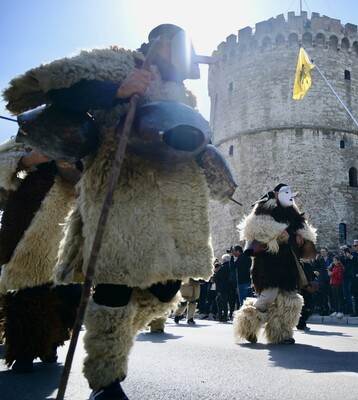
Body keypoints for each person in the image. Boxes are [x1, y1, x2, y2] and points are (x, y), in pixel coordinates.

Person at [4, 24, 226, 398]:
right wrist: (116, 91)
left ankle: (111, 328)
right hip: (121, 194)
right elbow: (55, 85)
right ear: (164, 43)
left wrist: (210, 161)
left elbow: (188, 137)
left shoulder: (182, 93)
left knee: (165, 289)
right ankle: (106, 380)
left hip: (174, 206)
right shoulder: (120, 63)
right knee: (116, 285)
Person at [0, 146, 80, 373]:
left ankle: (50, 345)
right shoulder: (29, 137)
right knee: (27, 291)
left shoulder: (85, 138)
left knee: (64, 293)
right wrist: (26, 160)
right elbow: (3, 169)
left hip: (67, 227)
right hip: (28, 230)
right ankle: (24, 351)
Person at [233, 183, 317, 344]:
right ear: (277, 194)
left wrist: (301, 236)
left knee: (290, 298)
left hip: (288, 262)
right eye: (286, 192)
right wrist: (278, 231)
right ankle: (248, 327)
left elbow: (302, 228)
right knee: (268, 297)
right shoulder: (265, 208)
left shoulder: (293, 213)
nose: (290, 196)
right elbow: (254, 228)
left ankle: (282, 334)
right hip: (269, 263)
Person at [214, 254, 231, 322]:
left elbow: (217, 275)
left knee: (222, 301)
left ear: (224, 260)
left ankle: (223, 316)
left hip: (222, 286)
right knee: (219, 300)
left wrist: (215, 272)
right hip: (228, 286)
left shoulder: (224, 267)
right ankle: (221, 315)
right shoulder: (230, 266)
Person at [338, 245, 354, 314]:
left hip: (348, 277)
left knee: (347, 294)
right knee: (345, 294)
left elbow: (351, 262)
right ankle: (346, 308)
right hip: (343, 277)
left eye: (343, 250)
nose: (341, 252)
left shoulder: (351, 257)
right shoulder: (342, 258)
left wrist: (348, 255)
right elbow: (341, 259)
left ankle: (350, 309)